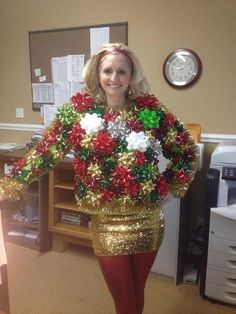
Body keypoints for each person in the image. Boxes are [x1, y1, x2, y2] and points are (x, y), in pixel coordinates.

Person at [0, 43, 197, 314]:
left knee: (137, 292)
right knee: (123, 297)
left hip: (147, 218)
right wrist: (13, 183)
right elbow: (46, 151)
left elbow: (185, 149)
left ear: (131, 76)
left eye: (121, 71)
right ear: (97, 73)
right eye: (107, 71)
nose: (113, 78)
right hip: (106, 221)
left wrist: (174, 187)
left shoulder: (150, 111)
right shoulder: (78, 111)